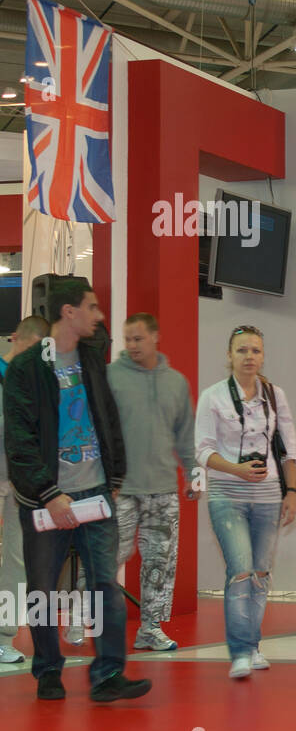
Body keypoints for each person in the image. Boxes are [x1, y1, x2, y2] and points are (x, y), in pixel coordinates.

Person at [3, 278, 150, 702]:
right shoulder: (25, 369)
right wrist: (50, 493)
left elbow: (108, 418)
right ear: (68, 313)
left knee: (105, 586)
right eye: (91, 306)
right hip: (46, 500)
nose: (99, 315)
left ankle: (107, 675)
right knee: (42, 589)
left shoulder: (91, 357)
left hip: (97, 494)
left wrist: (116, 477)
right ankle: (48, 670)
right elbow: (19, 441)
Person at [195, 325, 296, 678]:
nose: (249, 357)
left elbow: (289, 447)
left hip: (269, 494)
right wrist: (236, 470)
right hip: (227, 493)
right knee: (239, 569)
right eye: (242, 350)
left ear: (263, 355)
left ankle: (253, 645)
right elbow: (203, 451)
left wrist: (292, 492)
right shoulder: (213, 397)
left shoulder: (275, 395)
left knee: (260, 573)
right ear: (229, 356)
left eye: (255, 350)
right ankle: (239, 651)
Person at [106, 313, 200, 652]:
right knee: (106, 557)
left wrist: (192, 474)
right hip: (120, 491)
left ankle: (150, 628)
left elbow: (185, 435)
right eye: (127, 339)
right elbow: (99, 431)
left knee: (160, 563)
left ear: (155, 337)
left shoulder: (175, 382)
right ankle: (85, 618)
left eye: (138, 339)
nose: (131, 345)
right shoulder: (110, 378)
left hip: (163, 491)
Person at [0, 316, 51, 664]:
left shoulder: (37, 385)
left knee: (17, 561)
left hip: (18, 482)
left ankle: (3, 636)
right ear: (15, 337)